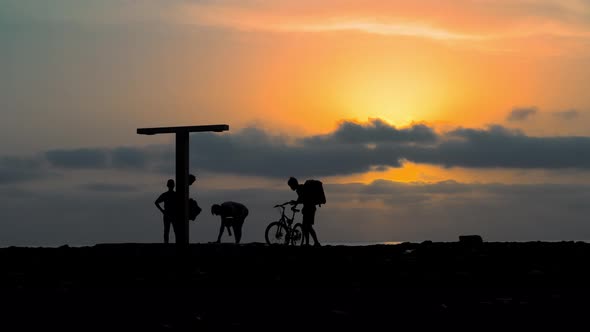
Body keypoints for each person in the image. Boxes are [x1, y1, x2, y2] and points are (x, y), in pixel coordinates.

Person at [288, 177, 321, 246]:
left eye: (291, 186)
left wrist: (295, 202)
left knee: (307, 227)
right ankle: (311, 243)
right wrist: (295, 203)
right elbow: (301, 199)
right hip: (308, 208)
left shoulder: (300, 189)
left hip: (309, 209)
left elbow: (302, 199)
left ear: (293, 184)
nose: (290, 188)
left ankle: (313, 243)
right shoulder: (300, 188)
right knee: (306, 227)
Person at [154, 179, 177, 244]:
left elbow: (156, 202)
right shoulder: (175, 195)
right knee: (172, 231)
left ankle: (166, 244)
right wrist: (162, 211)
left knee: (167, 231)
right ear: (173, 186)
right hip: (171, 215)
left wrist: (162, 211)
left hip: (168, 214)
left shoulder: (166, 194)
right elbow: (156, 202)